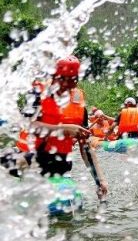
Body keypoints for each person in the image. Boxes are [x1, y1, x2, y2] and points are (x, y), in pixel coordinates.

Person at [1, 55, 108, 200]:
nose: (65, 84)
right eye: (62, 79)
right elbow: (30, 125)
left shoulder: (78, 103)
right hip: (30, 158)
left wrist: (100, 181)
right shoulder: (38, 93)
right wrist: (64, 129)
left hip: (59, 164)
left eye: (72, 80)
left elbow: (86, 147)